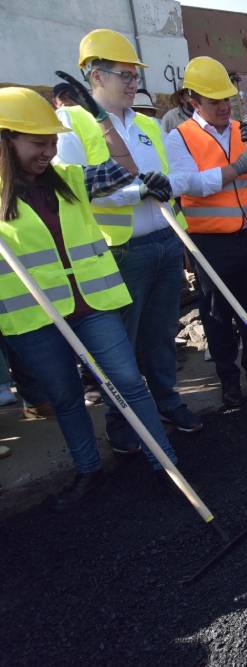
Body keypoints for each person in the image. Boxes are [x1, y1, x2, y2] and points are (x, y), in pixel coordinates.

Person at [0, 87, 179, 509]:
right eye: (38, 143)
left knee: (129, 382)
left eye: (51, 142)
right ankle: (88, 471)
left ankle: (166, 464)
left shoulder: (70, 180)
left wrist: (102, 119)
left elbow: (119, 169)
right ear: (7, 139)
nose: (48, 152)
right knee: (65, 398)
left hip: (93, 306)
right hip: (36, 319)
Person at [56, 28, 203, 450]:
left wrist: (166, 186)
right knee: (123, 346)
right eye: (125, 74)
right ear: (94, 75)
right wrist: (138, 191)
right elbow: (77, 188)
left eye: (135, 74)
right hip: (119, 250)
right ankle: (124, 426)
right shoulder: (71, 125)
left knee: (160, 336)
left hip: (165, 241)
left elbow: (167, 177)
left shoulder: (147, 125)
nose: (134, 82)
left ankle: (167, 402)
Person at [166, 56, 247, 406]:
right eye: (214, 100)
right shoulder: (180, 137)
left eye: (226, 99)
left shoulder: (243, 132)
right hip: (211, 242)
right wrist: (235, 169)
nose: (223, 106)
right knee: (217, 314)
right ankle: (228, 379)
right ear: (193, 100)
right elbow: (188, 184)